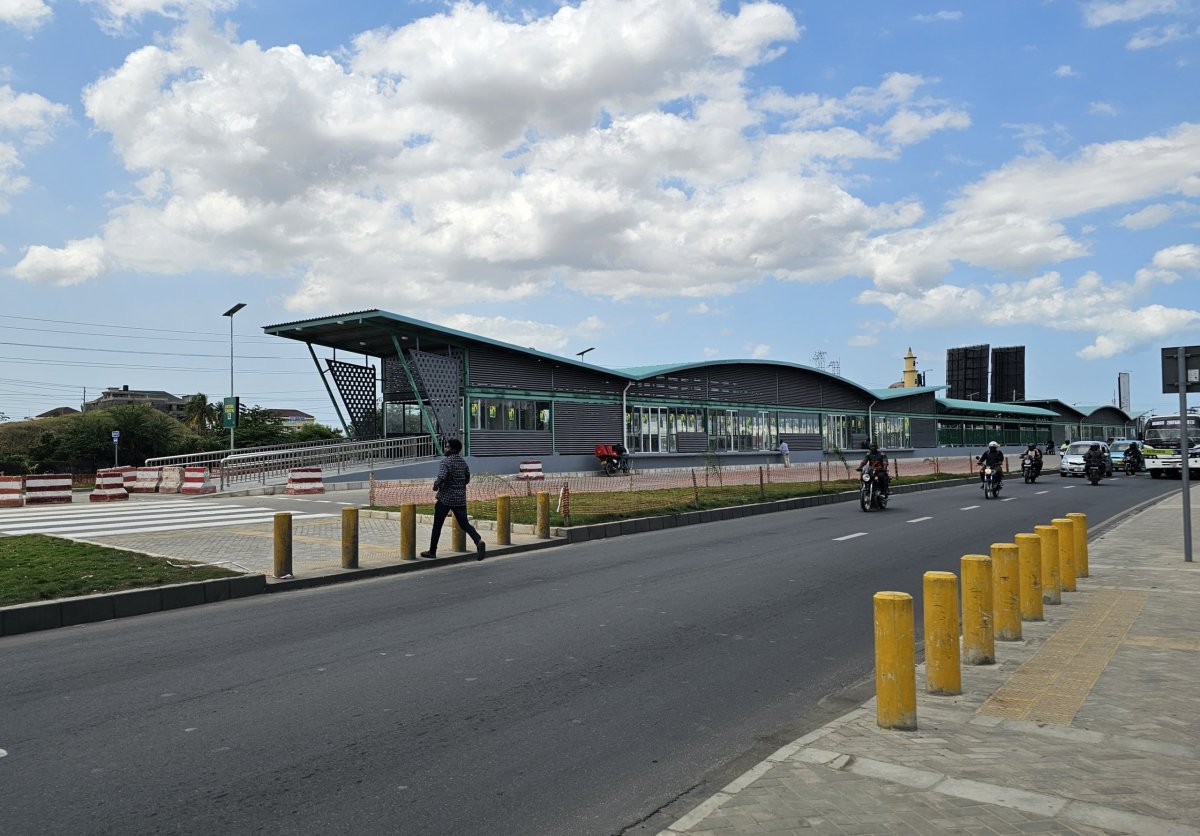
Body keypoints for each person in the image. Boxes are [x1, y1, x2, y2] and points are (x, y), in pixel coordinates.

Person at [420, 438, 486, 561]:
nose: (445, 449)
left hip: (445, 498)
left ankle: (432, 551)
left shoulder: (446, 462)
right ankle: (478, 541)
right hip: (460, 499)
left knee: (437, 526)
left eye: (447, 447)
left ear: (453, 449)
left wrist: (436, 486)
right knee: (464, 524)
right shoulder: (463, 463)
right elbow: (467, 479)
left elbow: (442, 477)